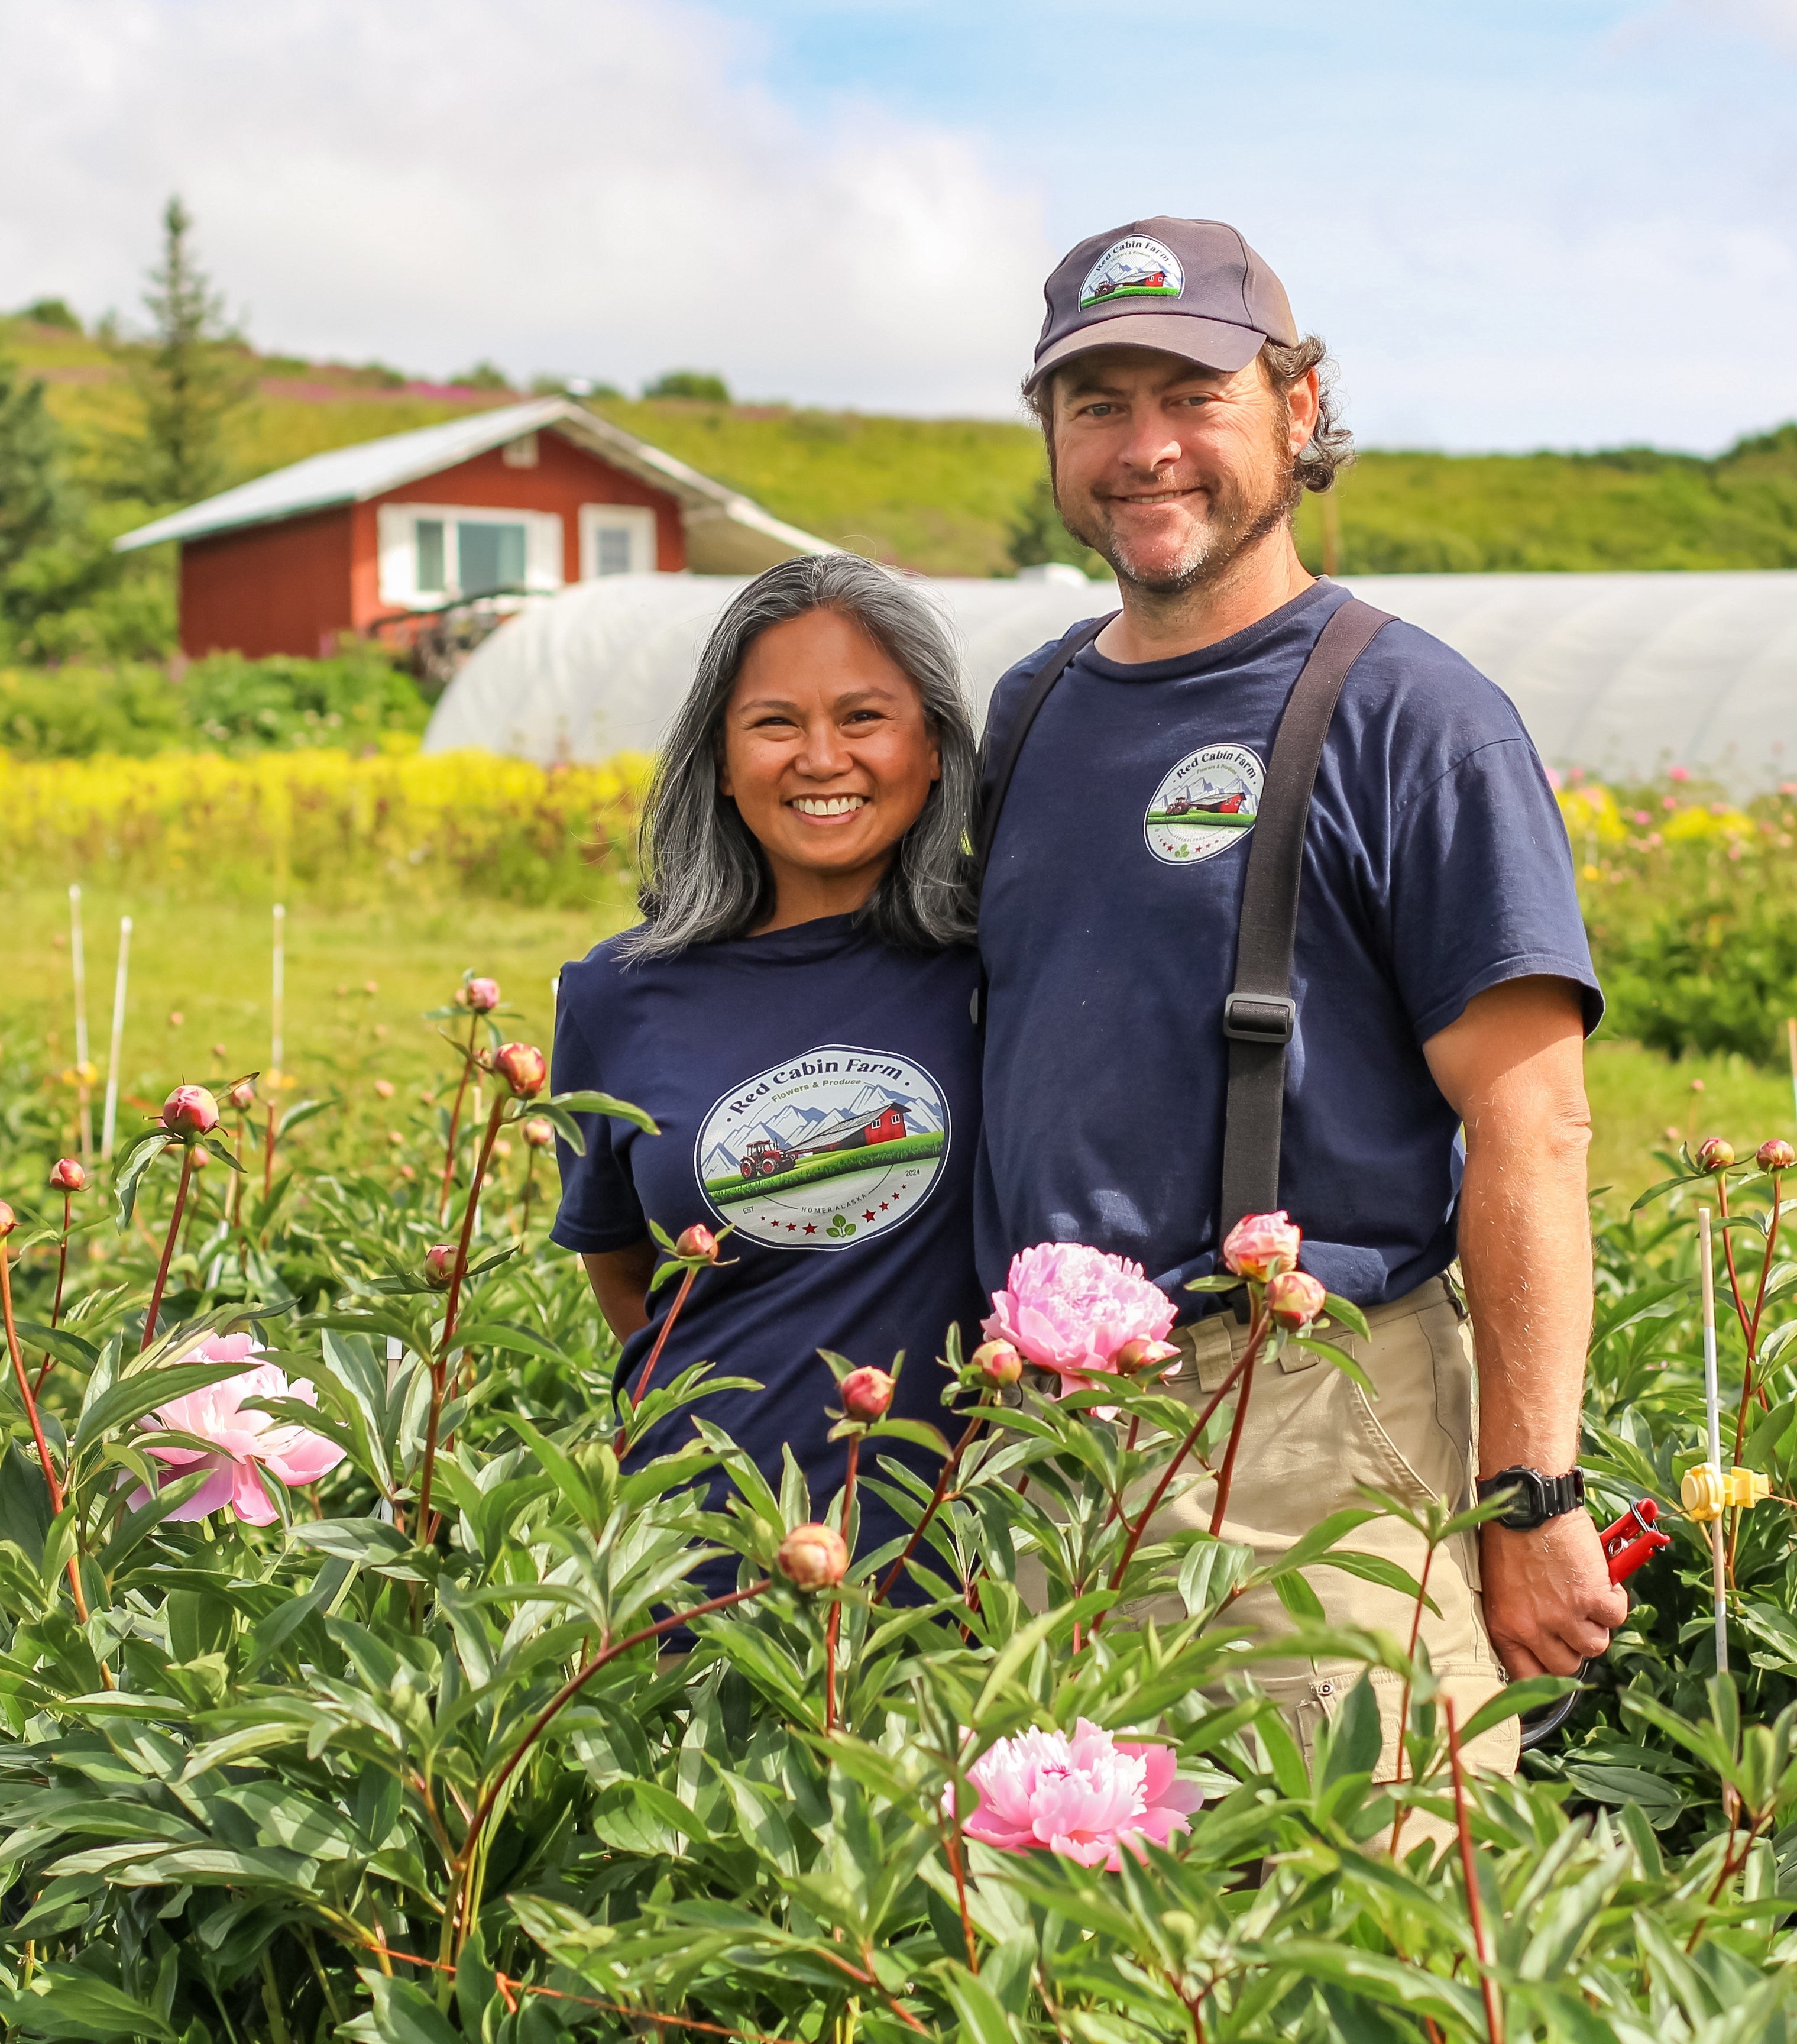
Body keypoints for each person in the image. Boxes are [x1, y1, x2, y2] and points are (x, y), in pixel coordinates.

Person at [976, 216, 1626, 1775]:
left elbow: (1533, 1125)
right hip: (1037, 1452)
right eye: (1096, 405)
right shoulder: (1034, 705)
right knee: (1080, 1968)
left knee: (1351, 1928)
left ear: (1301, 404)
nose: (1144, 449)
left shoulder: (1415, 717)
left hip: (1311, 1430)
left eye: (1190, 395)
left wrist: (1528, 1494)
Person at [550, 554, 986, 1599]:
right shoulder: (616, 993)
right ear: (719, 761)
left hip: (961, 1554)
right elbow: (625, 1271)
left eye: (866, 717)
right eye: (777, 723)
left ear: (933, 751)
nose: (821, 758)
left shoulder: (1004, 961)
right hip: (702, 1554)